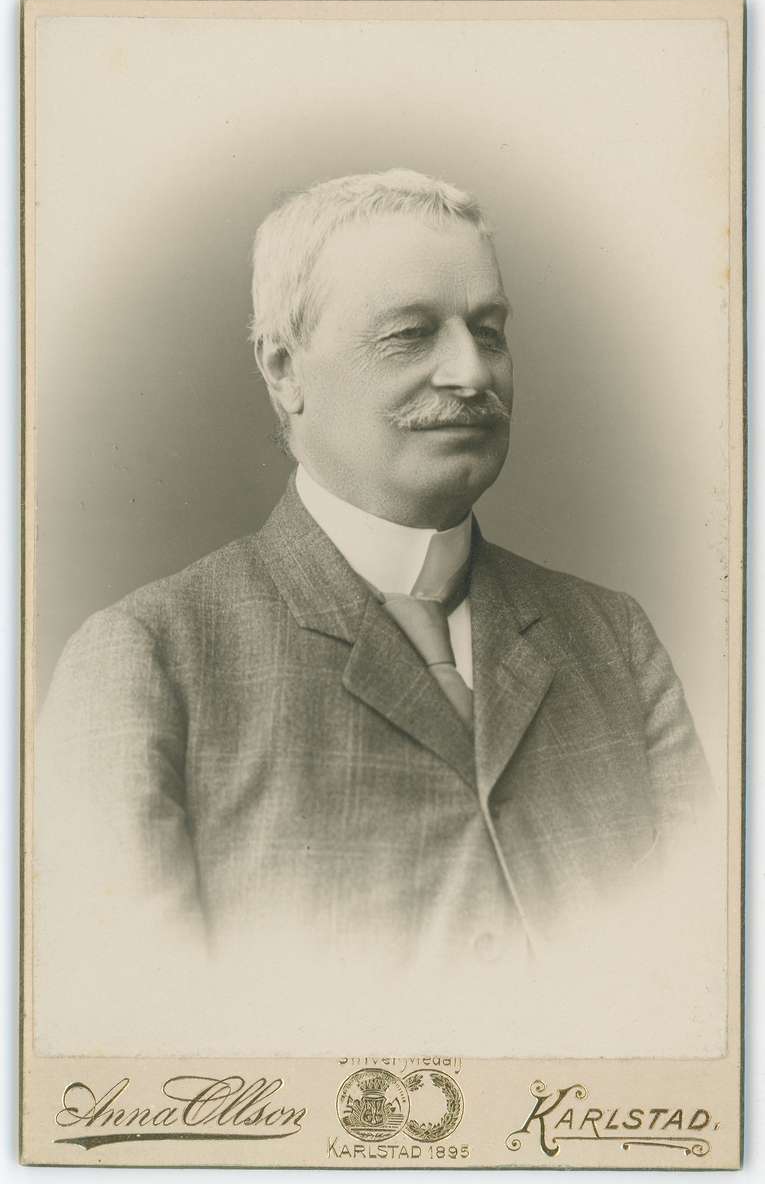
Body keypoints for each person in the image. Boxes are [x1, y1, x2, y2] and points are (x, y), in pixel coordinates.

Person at [35, 171, 713, 1049]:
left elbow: (703, 989)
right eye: (409, 335)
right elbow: (136, 1044)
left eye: (489, 331)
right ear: (283, 369)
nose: (472, 373)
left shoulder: (611, 639)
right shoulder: (149, 658)